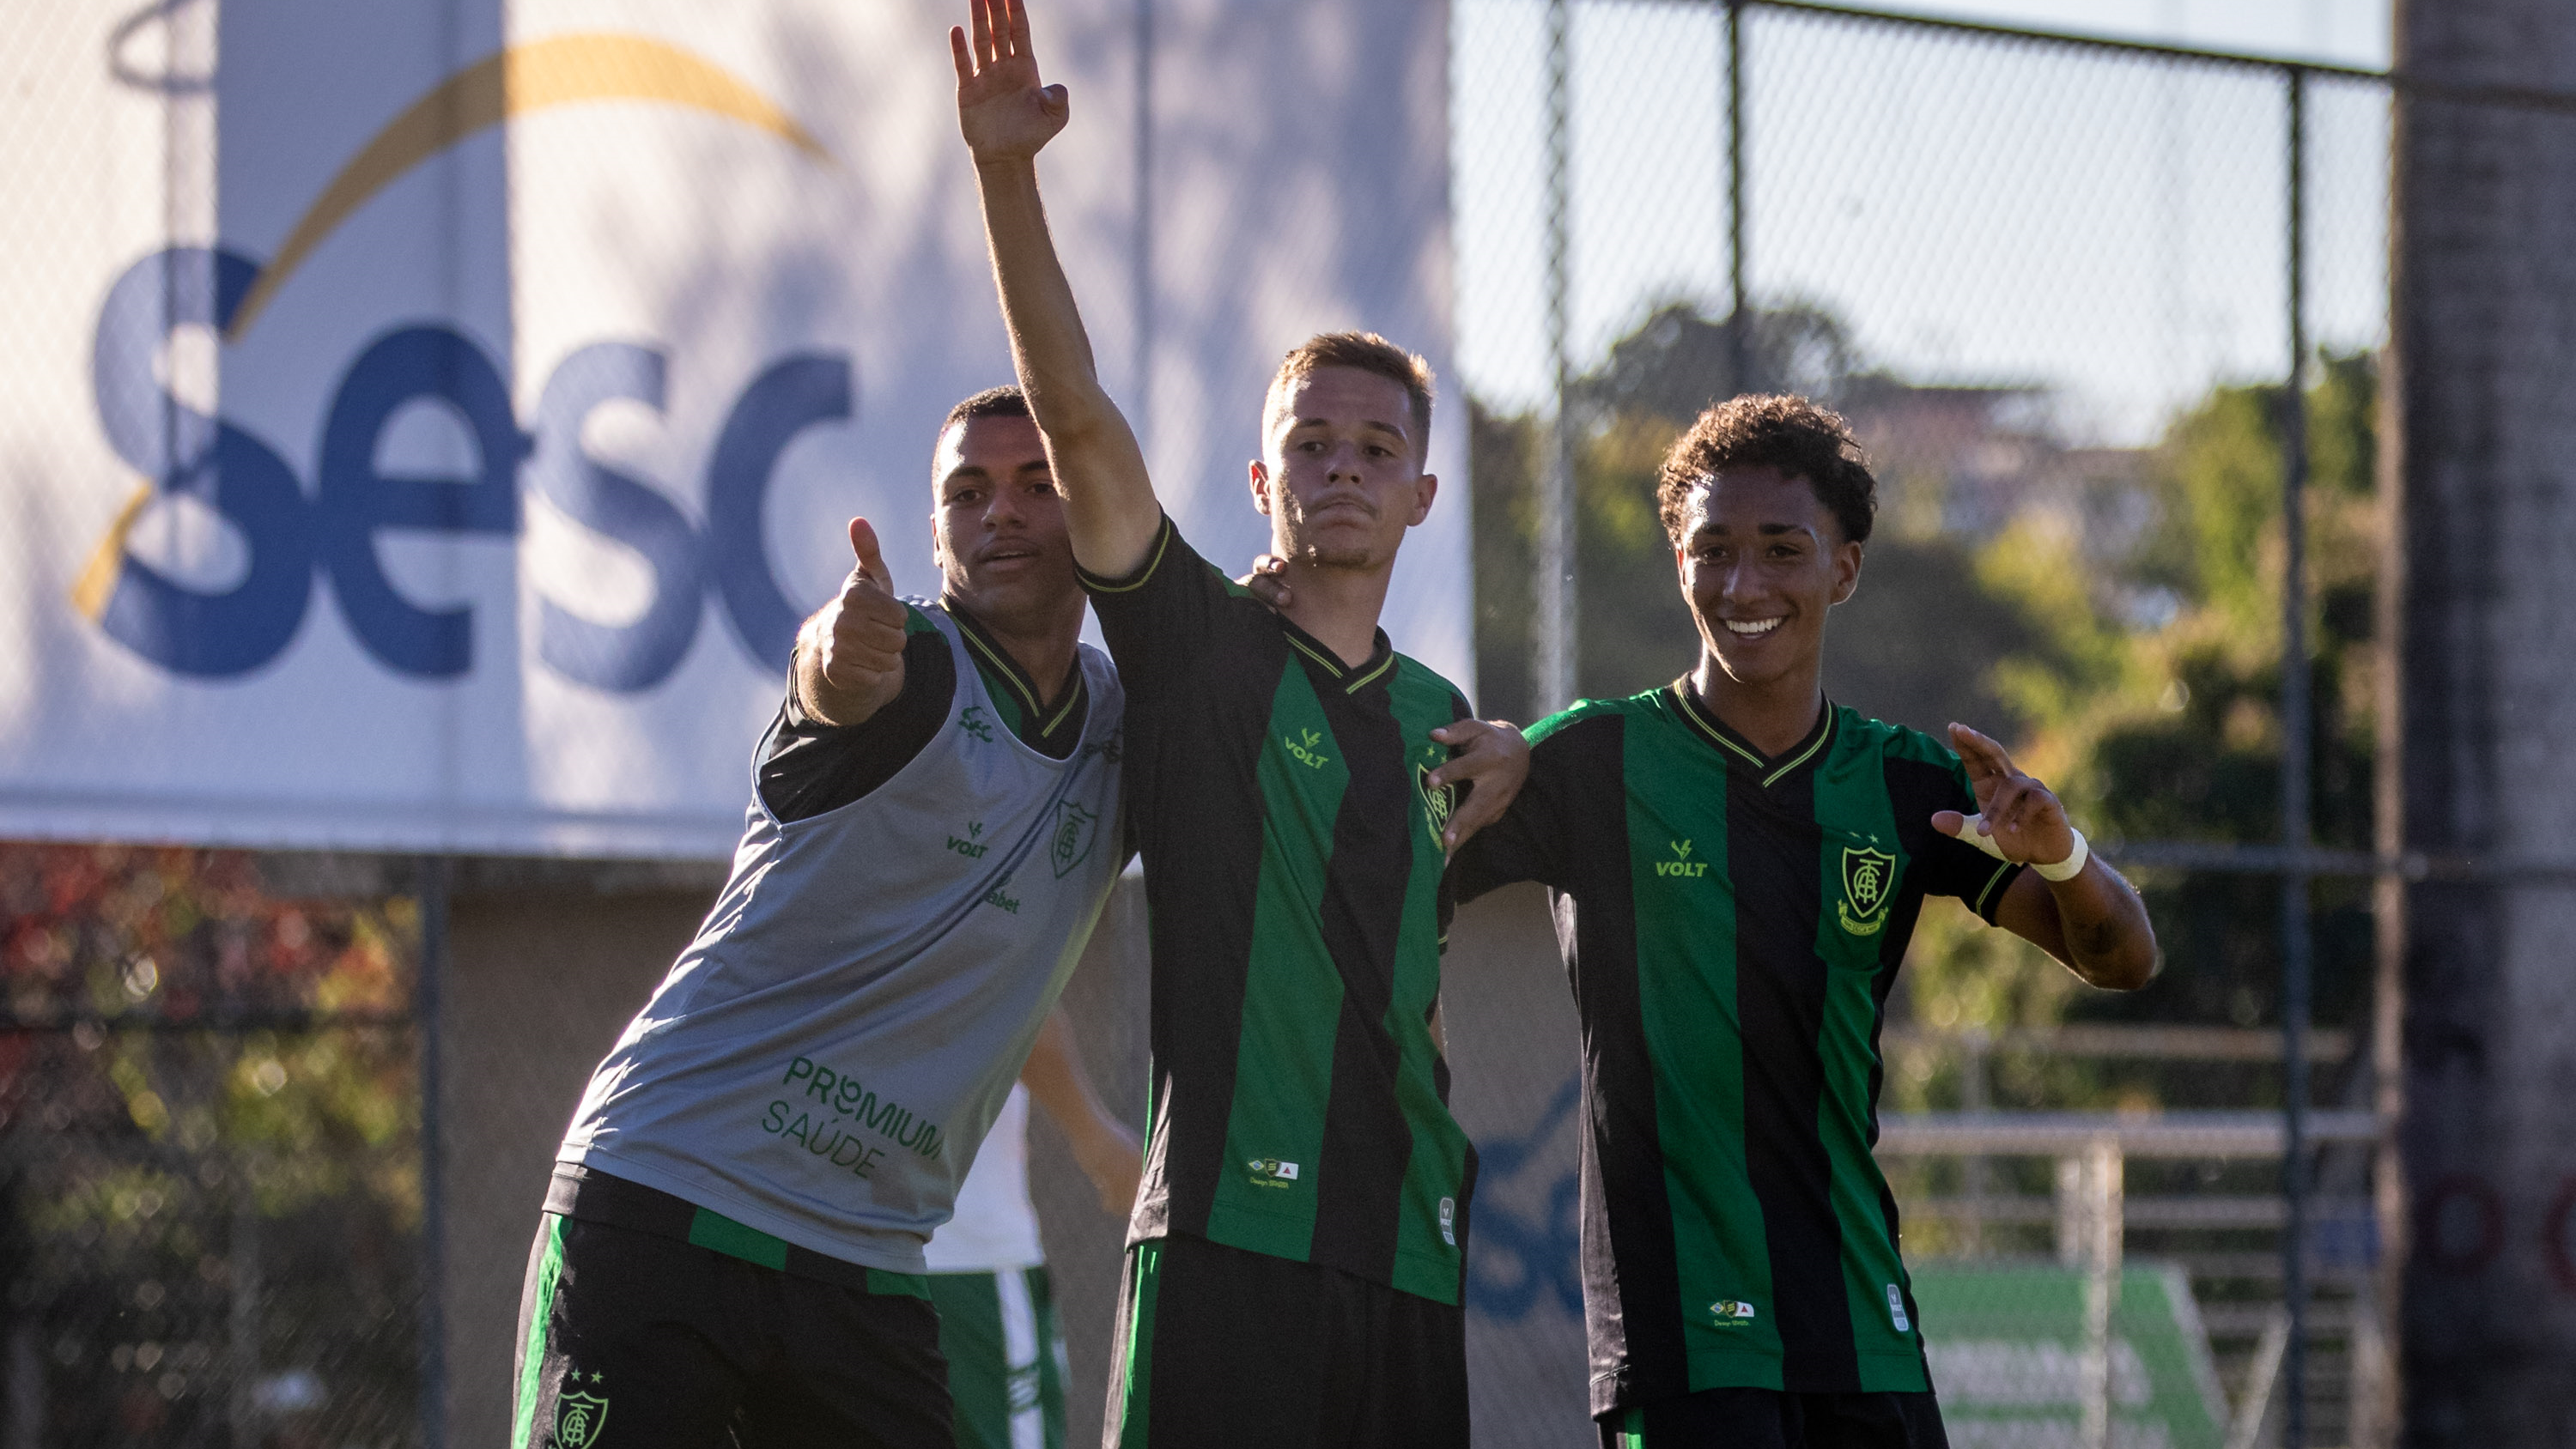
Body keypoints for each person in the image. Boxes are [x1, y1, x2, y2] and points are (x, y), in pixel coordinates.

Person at [952, 3, 1530, 1444]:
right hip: (1224, 1237)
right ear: (1261, 484)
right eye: (1311, 446)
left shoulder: (1439, 717)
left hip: (1407, 1250)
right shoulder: (1196, 642)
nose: (1344, 469)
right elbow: (1075, 417)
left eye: (1378, 450)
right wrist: (1008, 177)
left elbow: (1416, 974)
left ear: (1422, 498)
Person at [1451, 393, 2160, 1449]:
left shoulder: (1906, 784)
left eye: (1782, 550)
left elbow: (2122, 958)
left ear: (1845, 568)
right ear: (1679, 561)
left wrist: (2058, 852)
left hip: (1864, 1323)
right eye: (1714, 551)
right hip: (1685, 1338)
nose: (1744, 585)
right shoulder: (1589, 762)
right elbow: (1385, 877)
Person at [513, 386, 1128, 1449]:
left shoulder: (1129, 721)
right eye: (968, 491)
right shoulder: (910, 667)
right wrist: (832, 660)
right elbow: (828, 678)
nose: (1003, 513)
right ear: (934, 531)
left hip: (866, 1259)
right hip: (667, 1200)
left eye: (1040, 484)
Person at [930, 1009, 1142, 1449]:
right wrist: (1095, 1136)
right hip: (968, 1258)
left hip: (836, 1246)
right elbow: (1026, 1009)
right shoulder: (989, 938)